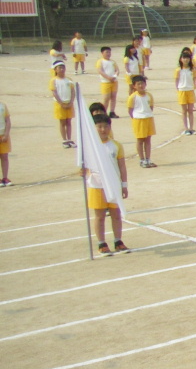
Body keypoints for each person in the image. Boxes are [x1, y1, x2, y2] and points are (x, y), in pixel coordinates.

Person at [83, 113, 129, 255]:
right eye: (99, 127)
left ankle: (118, 240)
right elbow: (84, 166)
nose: (103, 130)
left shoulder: (116, 146)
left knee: (116, 213)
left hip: (113, 184)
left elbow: (121, 166)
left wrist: (124, 184)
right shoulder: (90, 147)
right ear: (94, 128)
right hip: (96, 186)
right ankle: (101, 243)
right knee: (100, 215)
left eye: (106, 126)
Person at [126, 75, 157, 168]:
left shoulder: (149, 95)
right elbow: (130, 110)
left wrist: (147, 114)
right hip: (138, 119)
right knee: (140, 140)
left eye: (142, 83)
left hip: (148, 118)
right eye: (138, 84)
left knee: (148, 140)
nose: (141, 86)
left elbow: (151, 107)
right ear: (134, 86)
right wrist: (135, 117)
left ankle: (148, 159)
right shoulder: (132, 97)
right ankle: (142, 159)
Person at [50, 61, 76, 148]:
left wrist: (71, 102)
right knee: (62, 122)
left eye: (63, 67)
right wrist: (61, 103)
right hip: (59, 104)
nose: (62, 69)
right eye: (59, 68)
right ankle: (64, 140)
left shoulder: (69, 80)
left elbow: (73, 91)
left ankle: (69, 139)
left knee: (69, 121)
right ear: (55, 70)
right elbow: (55, 92)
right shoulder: (53, 80)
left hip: (69, 103)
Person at [175, 49, 196, 135]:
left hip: (190, 90)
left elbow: (194, 79)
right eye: (184, 58)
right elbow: (176, 80)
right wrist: (178, 89)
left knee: (190, 110)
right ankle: (186, 128)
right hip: (182, 91)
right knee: (184, 111)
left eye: (187, 58)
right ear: (181, 59)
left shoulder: (192, 69)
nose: (186, 60)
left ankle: (191, 128)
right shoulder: (178, 70)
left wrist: (193, 86)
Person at [96, 46, 120, 118]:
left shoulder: (112, 62)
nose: (108, 54)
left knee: (113, 97)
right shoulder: (100, 61)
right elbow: (100, 71)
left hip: (114, 82)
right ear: (102, 53)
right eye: (106, 52)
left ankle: (112, 112)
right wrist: (108, 77)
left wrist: (114, 76)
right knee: (106, 98)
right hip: (105, 82)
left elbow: (117, 70)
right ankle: (103, 112)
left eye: (109, 52)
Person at [0, 97, 10, 186]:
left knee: (4, 156)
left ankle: (5, 177)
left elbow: (7, 120)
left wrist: (6, 134)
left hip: (3, 135)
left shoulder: (3, 106)